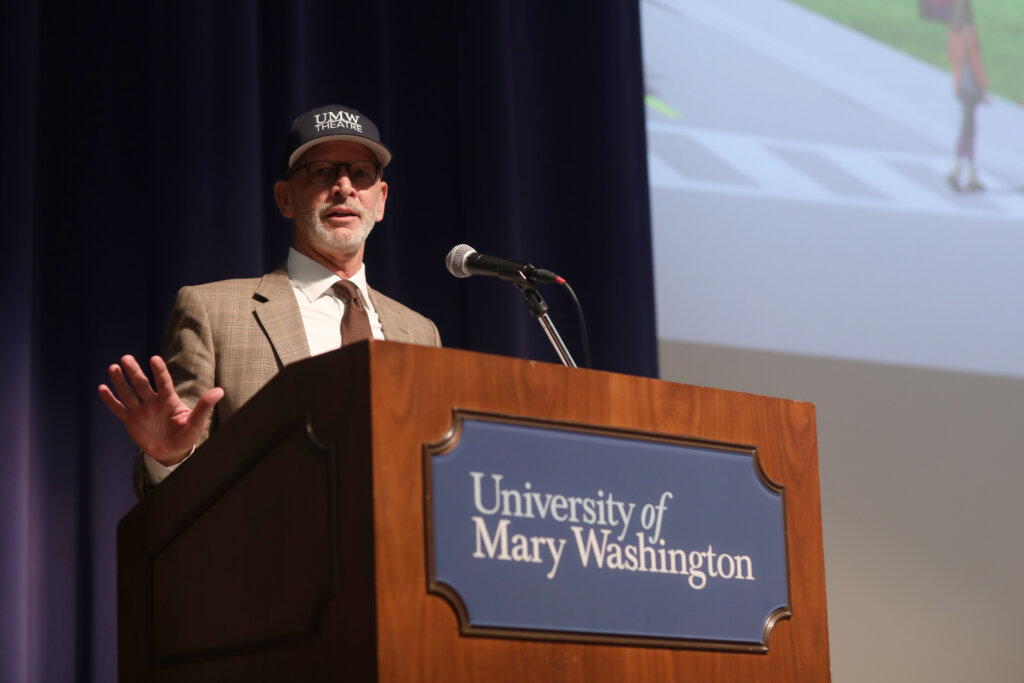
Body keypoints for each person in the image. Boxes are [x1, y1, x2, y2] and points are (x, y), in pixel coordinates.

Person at [98, 104, 441, 496]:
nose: (344, 186)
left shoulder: (419, 332)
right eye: (322, 171)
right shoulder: (211, 311)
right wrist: (171, 459)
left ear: (380, 201)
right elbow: (178, 493)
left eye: (361, 173)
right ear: (284, 199)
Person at [945, 0, 989, 192]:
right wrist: (984, 88)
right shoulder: (969, 31)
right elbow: (975, 60)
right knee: (968, 129)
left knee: (969, 128)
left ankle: (970, 174)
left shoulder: (952, 31)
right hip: (971, 85)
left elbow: (952, 58)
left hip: (959, 83)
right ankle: (956, 169)